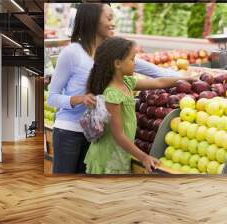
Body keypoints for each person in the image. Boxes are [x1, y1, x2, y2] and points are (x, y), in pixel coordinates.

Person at [47, 3, 182, 174]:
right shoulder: (72, 53)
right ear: (93, 21)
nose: (113, 23)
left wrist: (186, 78)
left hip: (98, 136)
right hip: (70, 132)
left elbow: (155, 73)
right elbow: (52, 97)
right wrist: (79, 99)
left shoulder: (111, 53)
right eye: (109, 18)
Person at [85, 37, 193, 174]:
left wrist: (185, 79)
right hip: (109, 158)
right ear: (117, 63)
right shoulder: (112, 94)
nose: (135, 63)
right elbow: (118, 135)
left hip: (120, 154)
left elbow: (158, 82)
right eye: (132, 59)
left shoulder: (127, 82)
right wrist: (143, 157)